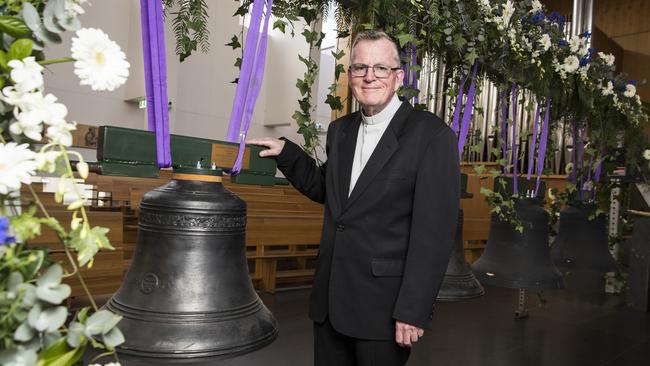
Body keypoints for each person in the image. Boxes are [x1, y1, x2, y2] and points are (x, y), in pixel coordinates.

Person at [248, 30, 459, 366]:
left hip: (384, 309)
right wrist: (287, 153)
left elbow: (433, 236)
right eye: (360, 68)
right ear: (351, 76)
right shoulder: (340, 131)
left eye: (380, 68)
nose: (369, 76)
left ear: (398, 76)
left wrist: (413, 310)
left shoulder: (431, 135)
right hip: (331, 302)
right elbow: (328, 191)